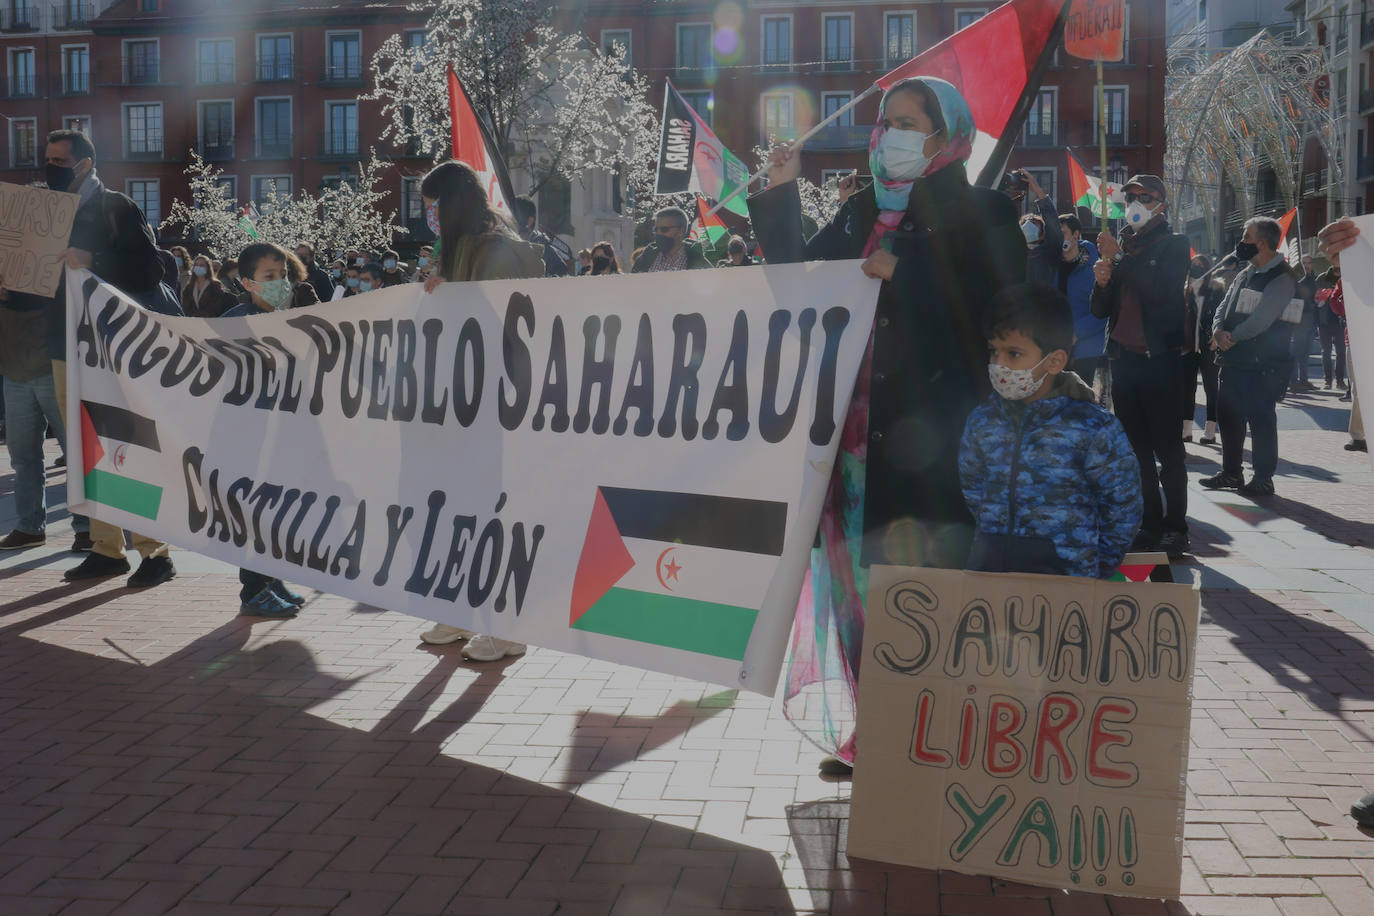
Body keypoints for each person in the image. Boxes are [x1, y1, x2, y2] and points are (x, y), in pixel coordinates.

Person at [750, 76, 1025, 775]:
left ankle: (925, 737)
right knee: (855, 589)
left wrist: (905, 271)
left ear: (947, 135)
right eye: (886, 121)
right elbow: (797, 281)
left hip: (931, 448)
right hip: (850, 443)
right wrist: (780, 190)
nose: (891, 135)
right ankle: (874, 731)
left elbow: (1000, 318)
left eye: (909, 122)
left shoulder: (988, 215)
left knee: (920, 592)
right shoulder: (860, 213)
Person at [3, 130, 177, 585]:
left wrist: (93, 258)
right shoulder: (42, 212)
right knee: (84, 449)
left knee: (124, 445)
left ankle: (155, 553)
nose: (50, 167)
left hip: (113, 346)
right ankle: (106, 548)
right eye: (47, 158)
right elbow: (37, 290)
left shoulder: (117, 206)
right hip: (64, 345)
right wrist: (10, 292)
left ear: (85, 164)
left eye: (59, 160)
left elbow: (150, 269)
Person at [417, 160, 544, 661]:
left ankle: (509, 625)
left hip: (499, 404)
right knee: (462, 506)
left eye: (434, 206)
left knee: (494, 510)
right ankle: (465, 610)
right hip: (466, 403)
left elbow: (516, 328)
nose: (429, 216)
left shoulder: (500, 251)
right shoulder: (465, 250)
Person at [960, 285, 1141, 578]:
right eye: (993, 351)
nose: (998, 365)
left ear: (1054, 361)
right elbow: (973, 488)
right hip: (991, 579)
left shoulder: (1094, 428)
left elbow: (1123, 507)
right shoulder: (982, 421)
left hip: (1066, 590)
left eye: (1014, 353)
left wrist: (1095, 568)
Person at [1090, 174, 1192, 558]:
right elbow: (1100, 310)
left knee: (1169, 451)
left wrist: (1118, 258)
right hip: (1125, 361)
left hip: (1160, 362)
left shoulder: (1174, 244)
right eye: (1129, 196)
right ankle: (1149, 524)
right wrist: (1102, 282)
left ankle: (1175, 527)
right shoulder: (1125, 247)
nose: (1134, 202)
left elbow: (1160, 292)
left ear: (1160, 204)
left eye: (1143, 196)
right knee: (1136, 452)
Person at [219, 243, 316, 617]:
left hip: (282, 435)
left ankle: (271, 578)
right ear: (248, 283)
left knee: (277, 512)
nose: (280, 283)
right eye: (269, 277)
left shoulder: (288, 317)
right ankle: (253, 589)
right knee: (255, 513)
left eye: (284, 276)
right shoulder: (236, 321)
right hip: (248, 438)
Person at [1200, 217, 1297, 498]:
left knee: (1261, 420)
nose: (1241, 243)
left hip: (1262, 365)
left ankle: (1263, 478)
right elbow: (1223, 305)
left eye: (1246, 237)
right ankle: (1231, 473)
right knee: (1229, 417)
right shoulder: (1245, 273)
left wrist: (1232, 337)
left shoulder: (1282, 277)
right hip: (1233, 361)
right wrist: (1218, 330)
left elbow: (1263, 319)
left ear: (1262, 243)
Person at [0, 283, 91, 551]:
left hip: (54, 367)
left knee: (75, 453)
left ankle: (87, 527)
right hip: (15, 372)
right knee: (23, 457)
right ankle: (30, 526)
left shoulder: (51, 261)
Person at [1020, 171, 1105, 391]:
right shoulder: (1050, 262)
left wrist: (1075, 332)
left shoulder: (1094, 266)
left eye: (1063, 233)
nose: (1059, 238)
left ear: (1076, 235)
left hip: (1086, 349)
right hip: (1054, 348)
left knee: (1080, 404)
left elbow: (1103, 311)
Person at [1185, 254, 1226, 445]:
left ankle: (1210, 430)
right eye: (1194, 264)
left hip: (1208, 345)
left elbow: (1221, 314)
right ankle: (1186, 430)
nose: (1198, 268)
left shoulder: (1216, 289)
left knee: (1211, 387)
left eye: (1202, 265)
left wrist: (1216, 336)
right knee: (1187, 388)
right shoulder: (1185, 290)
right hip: (1187, 346)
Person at [631, 207, 713, 272]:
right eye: (656, 230)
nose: (658, 233)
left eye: (664, 229)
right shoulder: (646, 258)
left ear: (681, 231)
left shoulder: (698, 262)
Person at [510, 195, 570, 277]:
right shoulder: (505, 245)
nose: (510, 222)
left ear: (530, 221)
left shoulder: (545, 249)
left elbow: (563, 277)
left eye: (515, 218)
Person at [1290, 254, 1319, 392]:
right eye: (1304, 263)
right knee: (1297, 351)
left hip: (1312, 320)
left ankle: (1304, 380)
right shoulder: (1297, 281)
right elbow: (1295, 302)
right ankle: (1293, 381)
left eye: (1309, 262)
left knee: (1306, 352)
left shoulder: (1314, 279)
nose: (1307, 265)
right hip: (1300, 320)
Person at [1316, 265, 1347, 391]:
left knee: (1341, 352)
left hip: (1340, 321)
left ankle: (1340, 381)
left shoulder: (1346, 277)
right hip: (1324, 321)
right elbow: (1313, 299)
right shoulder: (1321, 278)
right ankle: (1327, 380)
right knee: (1326, 352)